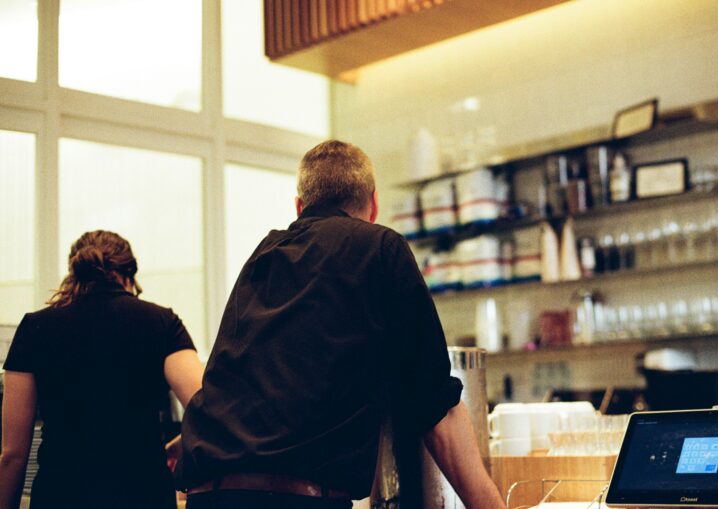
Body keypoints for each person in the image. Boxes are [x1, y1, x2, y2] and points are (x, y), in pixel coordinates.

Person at [176, 140, 505, 509]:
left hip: (209, 495)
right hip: (296, 501)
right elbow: (436, 406)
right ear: (373, 205)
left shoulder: (263, 255)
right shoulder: (381, 247)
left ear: (299, 207)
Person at [0, 230, 205, 509]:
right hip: (142, 495)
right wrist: (180, 443)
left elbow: (13, 455)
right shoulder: (161, 322)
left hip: (62, 496)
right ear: (129, 276)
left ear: (74, 273)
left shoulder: (35, 327)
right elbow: (207, 410)